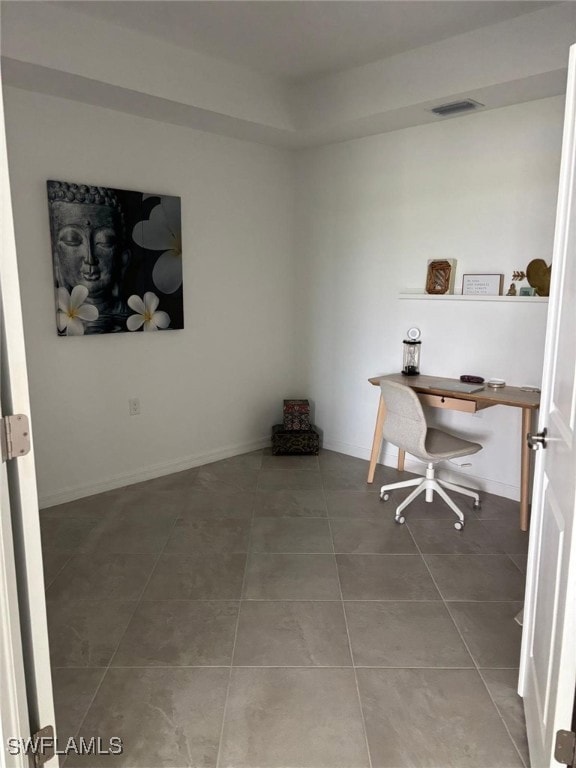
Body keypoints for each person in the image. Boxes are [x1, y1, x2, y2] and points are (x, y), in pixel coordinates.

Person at [47, 181, 131, 333]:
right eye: (72, 240)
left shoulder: (132, 321)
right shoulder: (44, 322)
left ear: (123, 259)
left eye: (104, 242)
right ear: (55, 258)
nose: (90, 258)